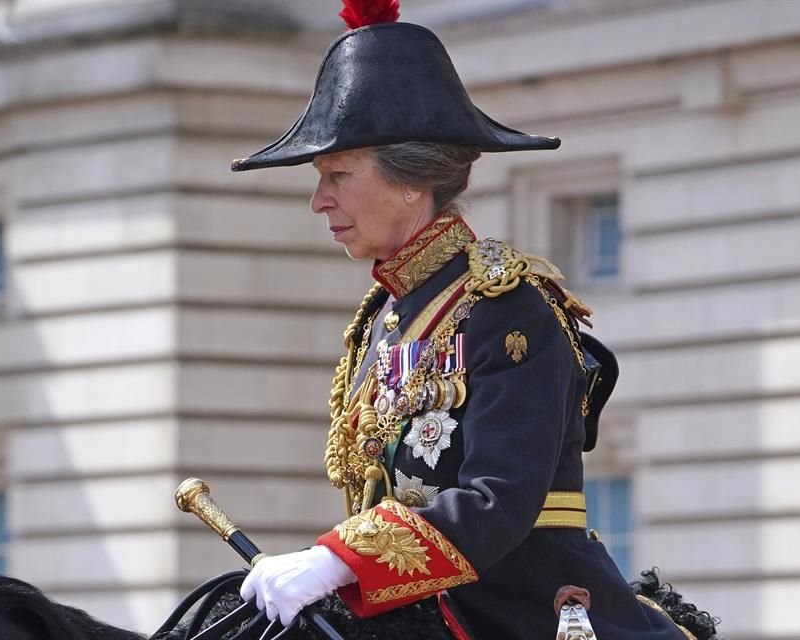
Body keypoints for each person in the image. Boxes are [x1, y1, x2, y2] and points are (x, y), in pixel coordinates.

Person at [231, 2, 714, 639]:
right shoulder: (385, 316)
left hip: (521, 615)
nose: (320, 200)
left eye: (338, 175)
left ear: (412, 181)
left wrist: (337, 561)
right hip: (411, 609)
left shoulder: (508, 308)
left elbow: (499, 498)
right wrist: (334, 566)